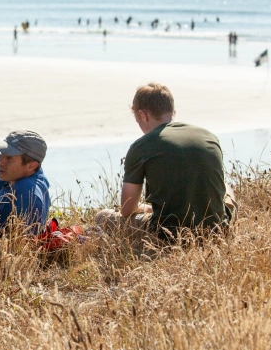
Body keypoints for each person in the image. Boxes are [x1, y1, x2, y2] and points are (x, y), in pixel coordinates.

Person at [95, 82, 236, 243]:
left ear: (143, 115)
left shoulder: (141, 146)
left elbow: (127, 209)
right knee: (228, 188)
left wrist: (146, 208)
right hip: (216, 229)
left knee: (102, 216)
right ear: (172, 111)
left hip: (168, 235)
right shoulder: (209, 136)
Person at [0, 130, 50, 233]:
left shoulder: (27, 193)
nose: (0, 162)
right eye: (1, 155)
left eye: (9, 158)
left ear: (31, 166)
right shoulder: (12, 175)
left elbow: (25, 243)